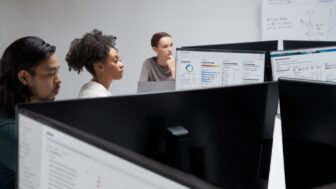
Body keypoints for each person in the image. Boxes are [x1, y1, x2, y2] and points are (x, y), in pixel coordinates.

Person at [0, 36, 61, 188]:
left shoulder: (27, 116)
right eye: (50, 74)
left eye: (57, 72)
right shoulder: (10, 130)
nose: (59, 80)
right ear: (24, 77)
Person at [66, 29, 124, 98]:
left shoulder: (91, 91)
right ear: (99, 66)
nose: (122, 65)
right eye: (115, 60)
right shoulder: (96, 96)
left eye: (120, 60)